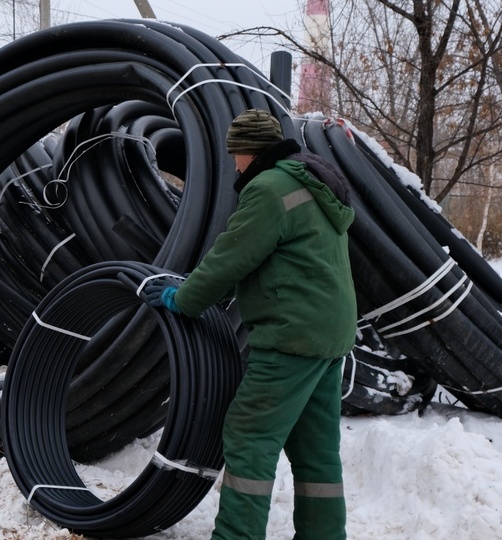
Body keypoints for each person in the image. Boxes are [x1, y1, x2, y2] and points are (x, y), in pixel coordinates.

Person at [145, 108, 357, 539]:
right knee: (316, 451)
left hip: (290, 336)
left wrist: (181, 299)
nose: (234, 166)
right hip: (329, 335)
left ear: (246, 152)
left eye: (235, 156)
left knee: (249, 437)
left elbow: (231, 256)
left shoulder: (269, 188)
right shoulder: (311, 183)